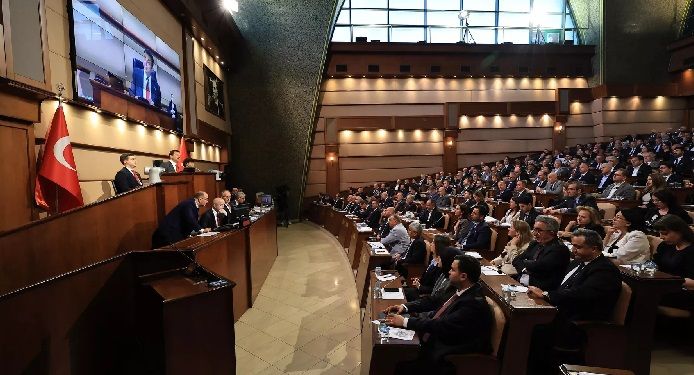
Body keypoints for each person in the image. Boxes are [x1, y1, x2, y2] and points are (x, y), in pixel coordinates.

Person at [527, 229, 622, 371]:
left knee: (532, 329)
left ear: (594, 249)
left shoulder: (604, 270)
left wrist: (547, 294)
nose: (573, 250)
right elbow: (562, 287)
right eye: (573, 245)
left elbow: (581, 294)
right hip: (562, 311)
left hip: (579, 321)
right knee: (528, 323)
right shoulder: (577, 263)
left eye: (578, 247)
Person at [384, 255, 492, 374]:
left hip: (448, 353)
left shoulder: (474, 303)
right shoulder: (458, 288)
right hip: (435, 339)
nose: (449, 272)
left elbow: (443, 325)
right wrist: (405, 307)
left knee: (397, 365)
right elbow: (432, 300)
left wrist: (405, 322)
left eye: (453, 269)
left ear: (463, 276)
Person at [512, 215, 571, 290]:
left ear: (551, 232)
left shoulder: (560, 249)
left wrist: (525, 263)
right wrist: (525, 269)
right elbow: (516, 260)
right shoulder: (534, 243)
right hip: (522, 282)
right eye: (534, 230)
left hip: (541, 290)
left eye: (539, 230)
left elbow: (539, 267)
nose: (535, 234)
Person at [653, 215, 694, 310]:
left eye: (665, 233)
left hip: (685, 292)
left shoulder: (691, 251)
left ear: (680, 231)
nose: (661, 237)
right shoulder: (665, 246)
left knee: (646, 295)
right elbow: (655, 265)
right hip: (664, 286)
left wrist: (672, 281)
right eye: (660, 233)